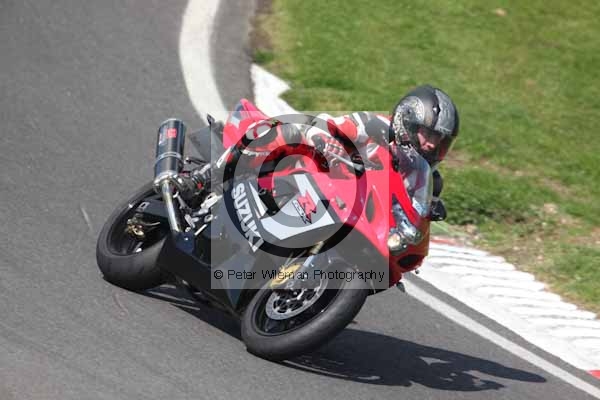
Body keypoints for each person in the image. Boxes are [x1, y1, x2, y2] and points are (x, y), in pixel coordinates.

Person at [176, 84, 459, 220]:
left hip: (340, 213)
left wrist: (424, 216)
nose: (432, 145)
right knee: (290, 132)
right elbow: (327, 124)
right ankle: (203, 178)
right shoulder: (375, 127)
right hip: (307, 175)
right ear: (408, 119)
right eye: (429, 135)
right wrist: (324, 139)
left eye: (441, 141)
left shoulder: (423, 179)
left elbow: (411, 213)